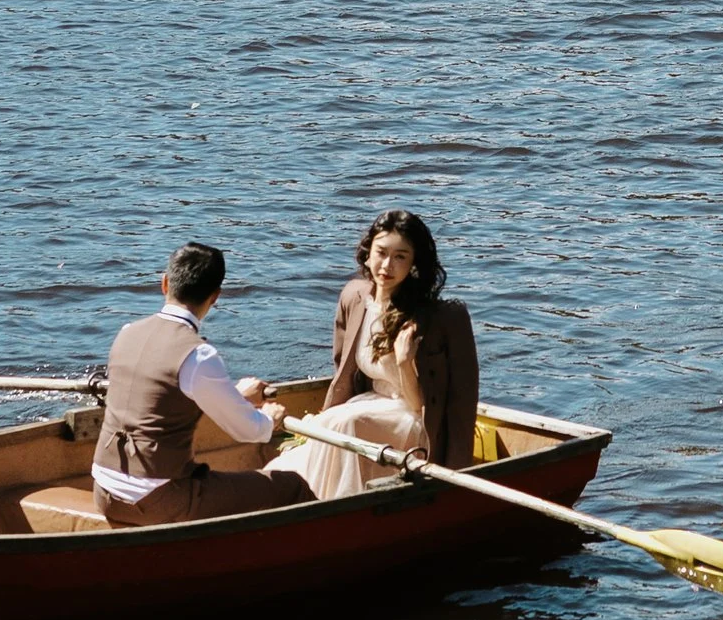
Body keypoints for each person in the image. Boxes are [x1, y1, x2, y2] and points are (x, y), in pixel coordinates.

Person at [92, 241, 309, 527]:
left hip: (103, 489)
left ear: (165, 283)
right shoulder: (198, 355)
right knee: (290, 485)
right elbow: (247, 431)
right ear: (216, 296)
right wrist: (269, 420)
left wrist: (237, 397)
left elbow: (162, 399)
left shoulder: (127, 332)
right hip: (155, 498)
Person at [296, 209, 480, 500]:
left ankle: (330, 505)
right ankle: (309, 500)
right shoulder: (354, 297)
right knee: (329, 422)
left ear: (414, 263)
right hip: (367, 406)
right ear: (368, 252)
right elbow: (342, 369)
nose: (387, 265)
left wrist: (405, 361)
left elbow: (453, 401)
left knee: (346, 423)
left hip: (413, 419)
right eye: (381, 252)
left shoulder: (445, 318)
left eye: (400, 257)